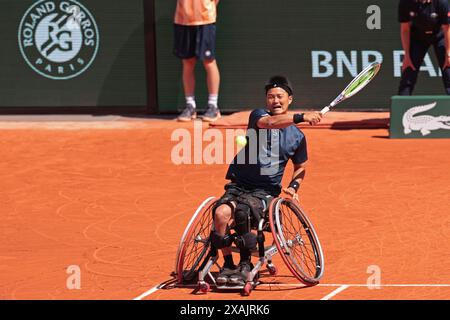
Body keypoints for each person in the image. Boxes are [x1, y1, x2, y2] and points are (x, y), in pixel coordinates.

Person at [211, 76, 323, 286]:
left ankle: (245, 264)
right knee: (221, 213)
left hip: (265, 191)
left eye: (280, 96)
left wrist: (293, 186)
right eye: (271, 97)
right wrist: (303, 116)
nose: (275, 101)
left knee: (242, 212)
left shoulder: (297, 137)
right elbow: (270, 123)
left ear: (290, 98)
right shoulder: (259, 116)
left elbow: (300, 167)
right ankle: (227, 263)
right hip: (239, 184)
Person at [173, 0, 221, 122]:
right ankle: (190, 106)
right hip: (182, 20)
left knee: (209, 61)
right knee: (187, 63)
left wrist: (206, 8)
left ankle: (213, 106)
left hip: (206, 20)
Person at [398, 0, 450, 95]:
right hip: (417, 38)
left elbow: (447, 28)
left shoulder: (441, 2)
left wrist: (448, 53)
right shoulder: (405, 3)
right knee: (409, 69)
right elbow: (405, 29)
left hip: (440, 36)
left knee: (448, 68)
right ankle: (401, 106)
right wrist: (407, 55)